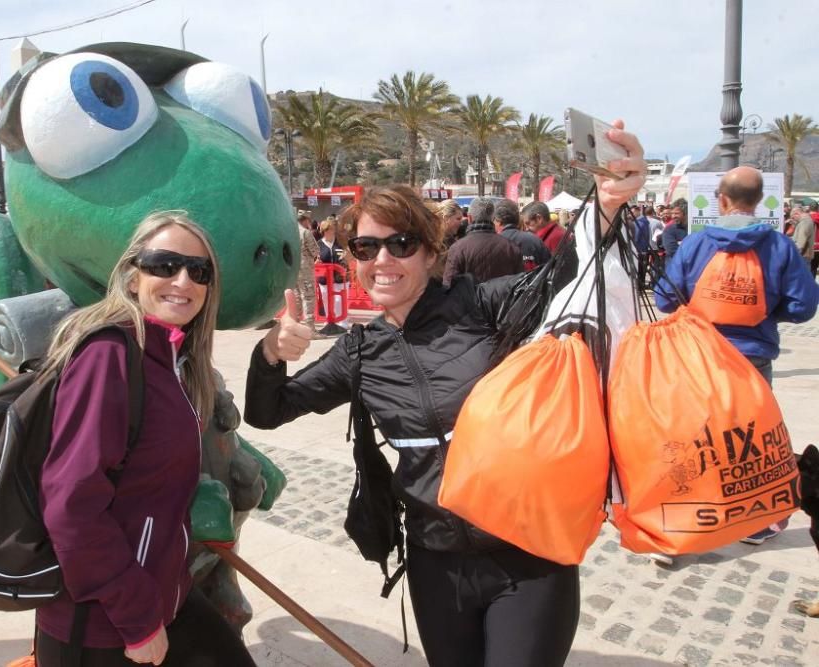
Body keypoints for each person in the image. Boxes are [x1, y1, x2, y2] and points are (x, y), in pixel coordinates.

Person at [244, 121, 646, 667]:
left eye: (400, 244)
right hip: (436, 563)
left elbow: (565, 276)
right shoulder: (359, 352)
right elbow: (267, 413)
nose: (382, 260)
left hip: (528, 558)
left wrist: (608, 202)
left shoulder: (483, 307)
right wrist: (269, 354)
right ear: (353, 258)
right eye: (365, 246)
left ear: (431, 253)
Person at [35, 213, 255, 667]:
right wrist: (137, 620)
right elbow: (71, 505)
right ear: (132, 277)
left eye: (199, 271)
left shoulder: (169, 359)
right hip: (104, 623)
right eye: (164, 264)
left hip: (164, 596)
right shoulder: (109, 356)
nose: (183, 280)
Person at [654, 167, 819, 548]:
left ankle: (678, 521)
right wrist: (763, 309)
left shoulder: (696, 245)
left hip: (699, 358)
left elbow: (664, 297)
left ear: (721, 200)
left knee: (691, 438)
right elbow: (803, 305)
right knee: (753, 441)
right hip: (752, 358)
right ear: (759, 201)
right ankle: (757, 521)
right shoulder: (778, 246)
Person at [442, 197, 523, 286]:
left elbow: (448, 286)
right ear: (493, 218)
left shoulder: (457, 248)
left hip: (468, 299)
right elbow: (519, 285)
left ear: (469, 218)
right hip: (502, 298)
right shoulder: (511, 248)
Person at [495, 198, 551, 270]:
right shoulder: (536, 241)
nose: (527, 229)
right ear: (518, 219)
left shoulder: (492, 244)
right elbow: (549, 270)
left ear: (498, 221)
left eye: (528, 223)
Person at [294, 212, 320, 331]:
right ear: (305, 220)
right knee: (308, 295)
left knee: (297, 295)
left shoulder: (290, 231)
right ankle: (310, 327)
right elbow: (314, 250)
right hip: (305, 267)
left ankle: (295, 324)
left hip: (293, 267)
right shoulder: (305, 232)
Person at [660, 199, 688, 265]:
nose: (673, 216)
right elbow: (672, 250)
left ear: (685, 213)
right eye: (672, 213)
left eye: (676, 213)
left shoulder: (692, 228)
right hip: (675, 268)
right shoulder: (669, 230)